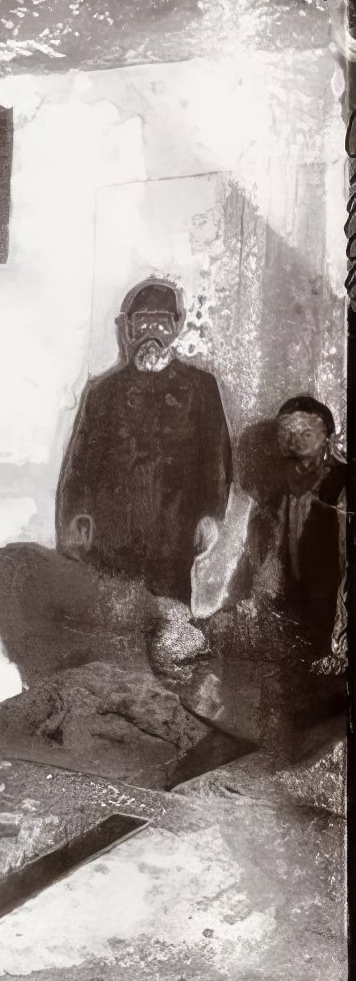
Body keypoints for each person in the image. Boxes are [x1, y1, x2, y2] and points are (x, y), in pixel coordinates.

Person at [166, 395, 348, 754]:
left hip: (334, 633)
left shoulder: (343, 489)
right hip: (298, 622)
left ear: (327, 437)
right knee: (194, 641)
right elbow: (271, 570)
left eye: (303, 433)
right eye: (285, 436)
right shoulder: (281, 494)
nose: (293, 445)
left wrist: (340, 645)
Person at [57, 280, 232, 601]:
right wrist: (76, 520)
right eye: (142, 323)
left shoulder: (202, 387)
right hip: (111, 537)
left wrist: (211, 515)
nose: (151, 333)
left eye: (161, 323)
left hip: (173, 533)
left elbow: (216, 460)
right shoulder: (102, 392)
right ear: (127, 328)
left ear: (176, 327)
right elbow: (80, 465)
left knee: (165, 619)